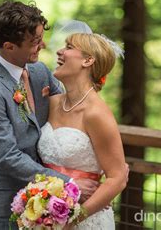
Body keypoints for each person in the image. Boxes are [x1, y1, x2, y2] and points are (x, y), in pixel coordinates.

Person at [0, 1, 99, 229]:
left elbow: (74, 107)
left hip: (44, 210)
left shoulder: (40, 72)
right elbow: (8, 157)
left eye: (41, 37)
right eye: (35, 42)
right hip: (0, 214)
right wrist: (70, 183)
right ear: (9, 46)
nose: (43, 45)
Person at [38, 32, 128, 229]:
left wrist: (74, 220)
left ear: (88, 60)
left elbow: (118, 178)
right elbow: (20, 137)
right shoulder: (50, 103)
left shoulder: (96, 113)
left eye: (69, 47)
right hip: (45, 216)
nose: (60, 52)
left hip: (85, 221)